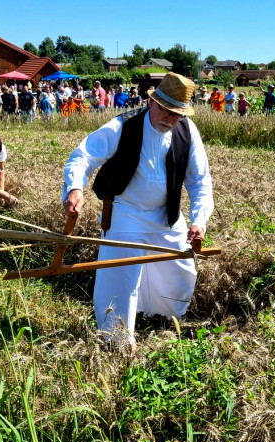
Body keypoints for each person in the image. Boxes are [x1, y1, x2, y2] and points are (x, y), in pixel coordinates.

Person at [61, 72, 214, 346]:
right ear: (152, 102)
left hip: (165, 215)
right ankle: (117, 340)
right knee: (120, 276)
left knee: (180, 271)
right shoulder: (123, 125)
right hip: (125, 212)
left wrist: (199, 221)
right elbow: (82, 156)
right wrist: (75, 188)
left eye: (177, 114)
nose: (170, 119)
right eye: (166, 111)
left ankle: (161, 319)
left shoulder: (188, 132)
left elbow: (200, 182)